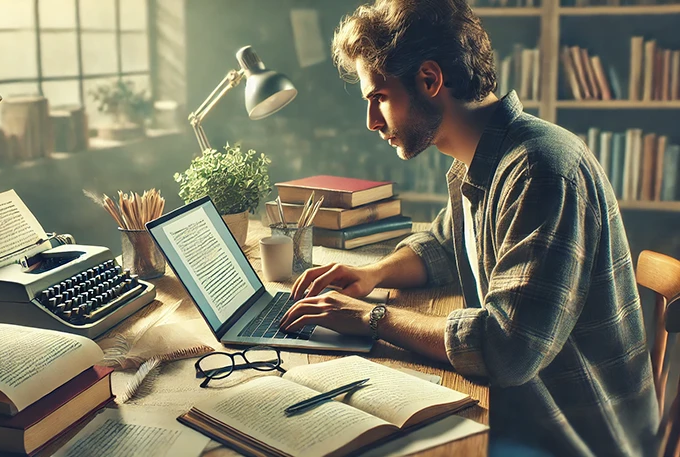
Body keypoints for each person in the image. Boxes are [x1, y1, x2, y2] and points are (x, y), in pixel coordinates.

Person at [278, 0, 659, 455]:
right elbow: (443, 244)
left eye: (378, 97)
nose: (371, 122)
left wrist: (370, 316)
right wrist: (372, 275)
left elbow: (506, 349)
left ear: (430, 79)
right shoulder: (483, 160)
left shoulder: (542, 170)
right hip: (523, 407)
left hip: (567, 437)